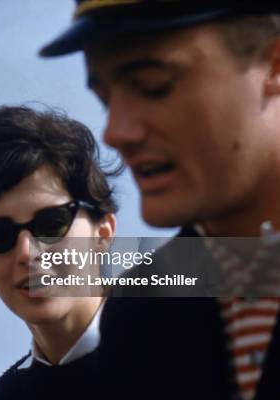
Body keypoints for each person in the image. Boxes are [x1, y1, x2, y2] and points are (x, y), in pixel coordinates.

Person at [40, 1, 280, 399]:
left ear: (272, 65)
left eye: (154, 86)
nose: (115, 132)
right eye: (106, 99)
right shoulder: (142, 311)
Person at [0, 105, 118, 399]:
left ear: (103, 232)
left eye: (51, 223)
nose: (27, 252)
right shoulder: (8, 393)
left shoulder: (190, 342)